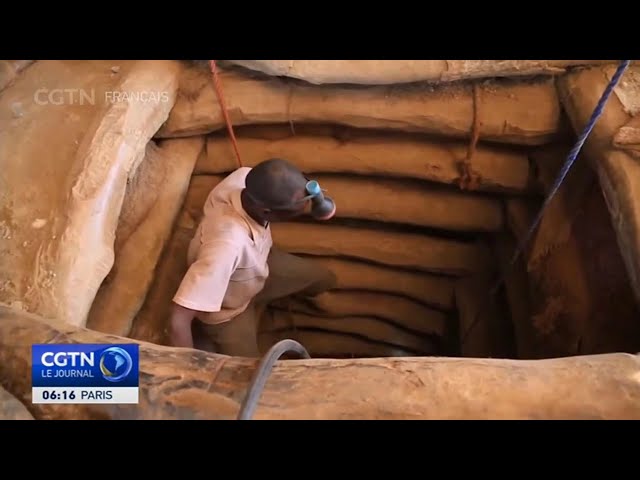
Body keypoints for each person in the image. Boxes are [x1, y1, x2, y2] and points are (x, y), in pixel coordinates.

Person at [169, 158, 337, 357]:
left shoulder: (244, 177)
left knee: (323, 277)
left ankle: (313, 303)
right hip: (229, 311)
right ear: (266, 211)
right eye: (294, 212)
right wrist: (186, 363)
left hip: (260, 263)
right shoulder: (226, 247)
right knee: (249, 372)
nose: (303, 212)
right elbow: (177, 320)